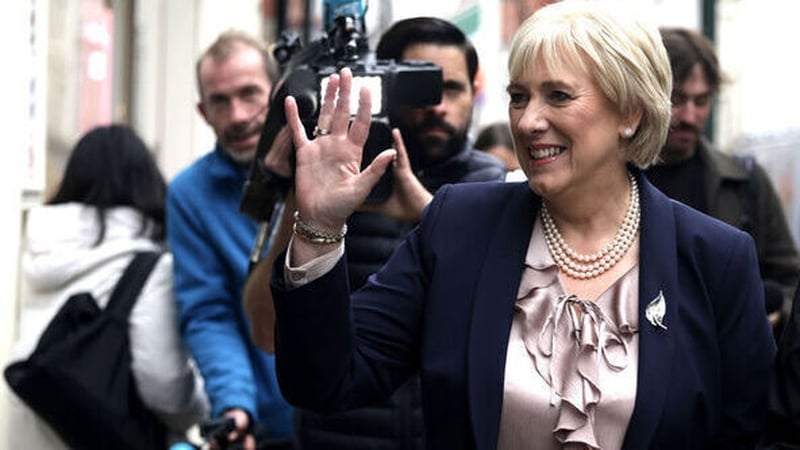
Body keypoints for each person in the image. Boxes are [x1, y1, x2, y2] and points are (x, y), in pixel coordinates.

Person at [267, 2, 775, 448]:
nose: (529, 121)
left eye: (558, 96)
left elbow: (748, 433)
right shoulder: (458, 226)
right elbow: (327, 381)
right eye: (518, 96)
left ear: (632, 114)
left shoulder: (716, 259)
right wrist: (318, 226)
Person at [243, 17, 506, 449]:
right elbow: (265, 332)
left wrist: (430, 213)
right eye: (420, 87)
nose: (437, 105)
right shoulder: (331, 182)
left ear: (474, 93)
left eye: (451, 88)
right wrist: (307, 211)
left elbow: (506, 328)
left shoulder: (493, 189)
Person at [6, 124, 209, 449]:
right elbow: (163, 383)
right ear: (147, 182)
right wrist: (202, 408)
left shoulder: (40, 248)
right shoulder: (149, 267)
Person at [165, 30, 293, 449]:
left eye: (249, 94)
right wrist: (235, 407)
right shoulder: (190, 194)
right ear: (203, 111)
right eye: (220, 101)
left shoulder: (325, 166)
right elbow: (209, 313)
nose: (237, 115)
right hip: (270, 425)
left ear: (276, 92)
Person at [644, 27, 800, 337]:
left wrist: (774, 315)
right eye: (677, 99)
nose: (689, 115)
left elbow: (790, 279)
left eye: (701, 101)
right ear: (650, 95)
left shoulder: (743, 181)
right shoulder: (615, 177)